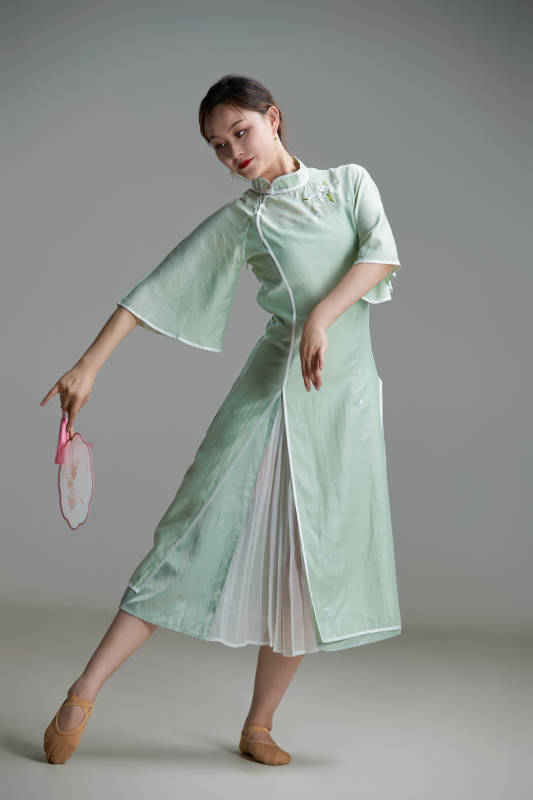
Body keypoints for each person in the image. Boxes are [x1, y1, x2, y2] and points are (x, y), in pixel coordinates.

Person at [40, 73, 403, 767]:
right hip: (270, 399)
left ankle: (257, 726)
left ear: (273, 118)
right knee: (184, 541)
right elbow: (158, 285)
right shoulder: (245, 219)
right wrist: (88, 365)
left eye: (240, 132)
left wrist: (320, 318)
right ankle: (84, 691)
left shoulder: (349, 184)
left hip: (342, 407)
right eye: (217, 145)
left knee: (307, 571)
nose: (233, 152)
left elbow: (379, 255)